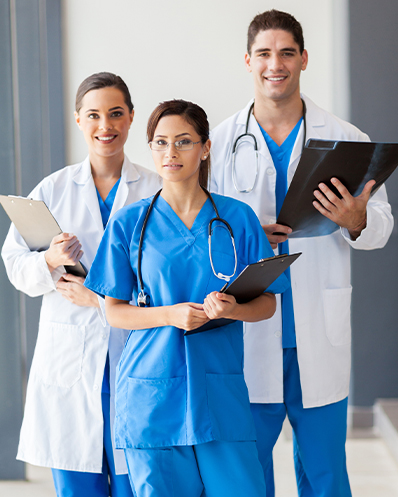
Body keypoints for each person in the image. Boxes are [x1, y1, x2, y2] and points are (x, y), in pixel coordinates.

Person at [210, 9, 393, 497]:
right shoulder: (220, 144)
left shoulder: (347, 139)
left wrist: (356, 220)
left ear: (304, 59)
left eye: (287, 53)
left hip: (316, 330)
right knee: (247, 476)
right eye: (265, 54)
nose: (277, 64)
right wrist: (245, 236)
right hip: (248, 331)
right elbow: (199, 233)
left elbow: (381, 229)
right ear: (247, 61)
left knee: (326, 475)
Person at [84, 99, 289, 497]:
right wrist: (171, 315)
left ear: (205, 147)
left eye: (183, 141)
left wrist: (235, 309)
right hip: (152, 395)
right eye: (160, 143)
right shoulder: (130, 224)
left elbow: (267, 304)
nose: (170, 153)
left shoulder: (238, 218)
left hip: (220, 394)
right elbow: (113, 312)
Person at [1, 72, 160, 497]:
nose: (104, 126)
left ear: (130, 119)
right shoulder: (52, 190)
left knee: (137, 484)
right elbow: (15, 265)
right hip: (71, 362)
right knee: (79, 487)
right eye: (93, 115)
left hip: (136, 355)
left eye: (114, 114)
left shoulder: (157, 189)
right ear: (77, 120)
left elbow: (173, 276)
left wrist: (99, 299)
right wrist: (50, 260)